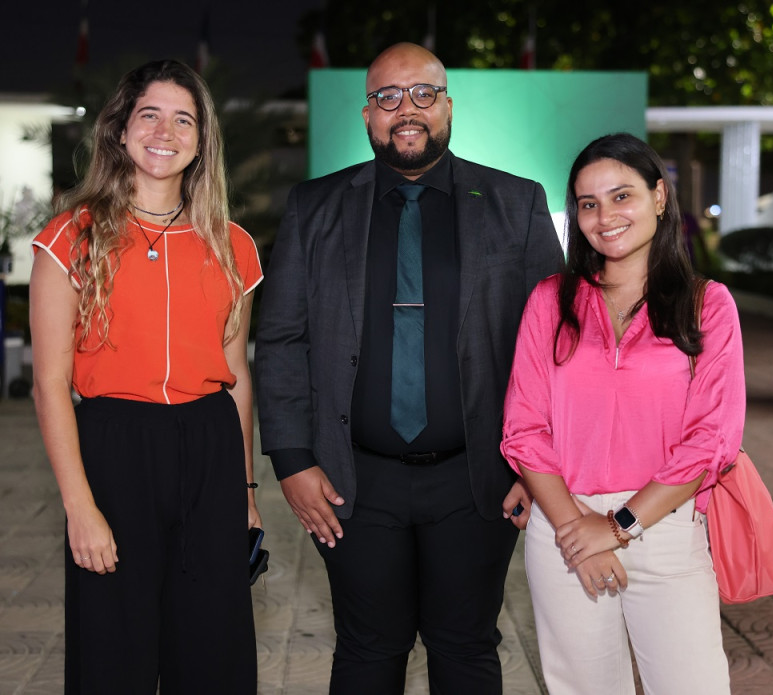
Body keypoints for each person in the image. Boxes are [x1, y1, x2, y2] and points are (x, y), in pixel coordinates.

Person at [255, 42, 564, 694]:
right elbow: (282, 339)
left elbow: (554, 346)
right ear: (368, 114)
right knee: (368, 650)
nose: (407, 110)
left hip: (479, 478)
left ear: (448, 106)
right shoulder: (315, 207)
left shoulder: (517, 203)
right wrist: (291, 460)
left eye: (423, 93)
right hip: (350, 481)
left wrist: (542, 467)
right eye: (388, 97)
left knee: (467, 646)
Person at [29, 59, 262, 694]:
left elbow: (237, 375)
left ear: (202, 139)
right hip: (113, 450)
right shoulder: (69, 239)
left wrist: (244, 491)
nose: (166, 130)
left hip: (210, 451)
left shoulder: (232, 244)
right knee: (114, 653)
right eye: (149, 114)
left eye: (183, 118)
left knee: (212, 651)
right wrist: (80, 507)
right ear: (121, 130)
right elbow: (49, 383)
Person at [501, 132, 746, 693]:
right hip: (564, 524)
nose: (604, 216)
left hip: (662, 525)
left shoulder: (707, 304)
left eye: (621, 196)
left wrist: (618, 526)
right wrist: (575, 529)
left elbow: (711, 438)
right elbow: (523, 427)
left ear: (659, 197)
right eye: (588, 203)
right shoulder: (549, 300)